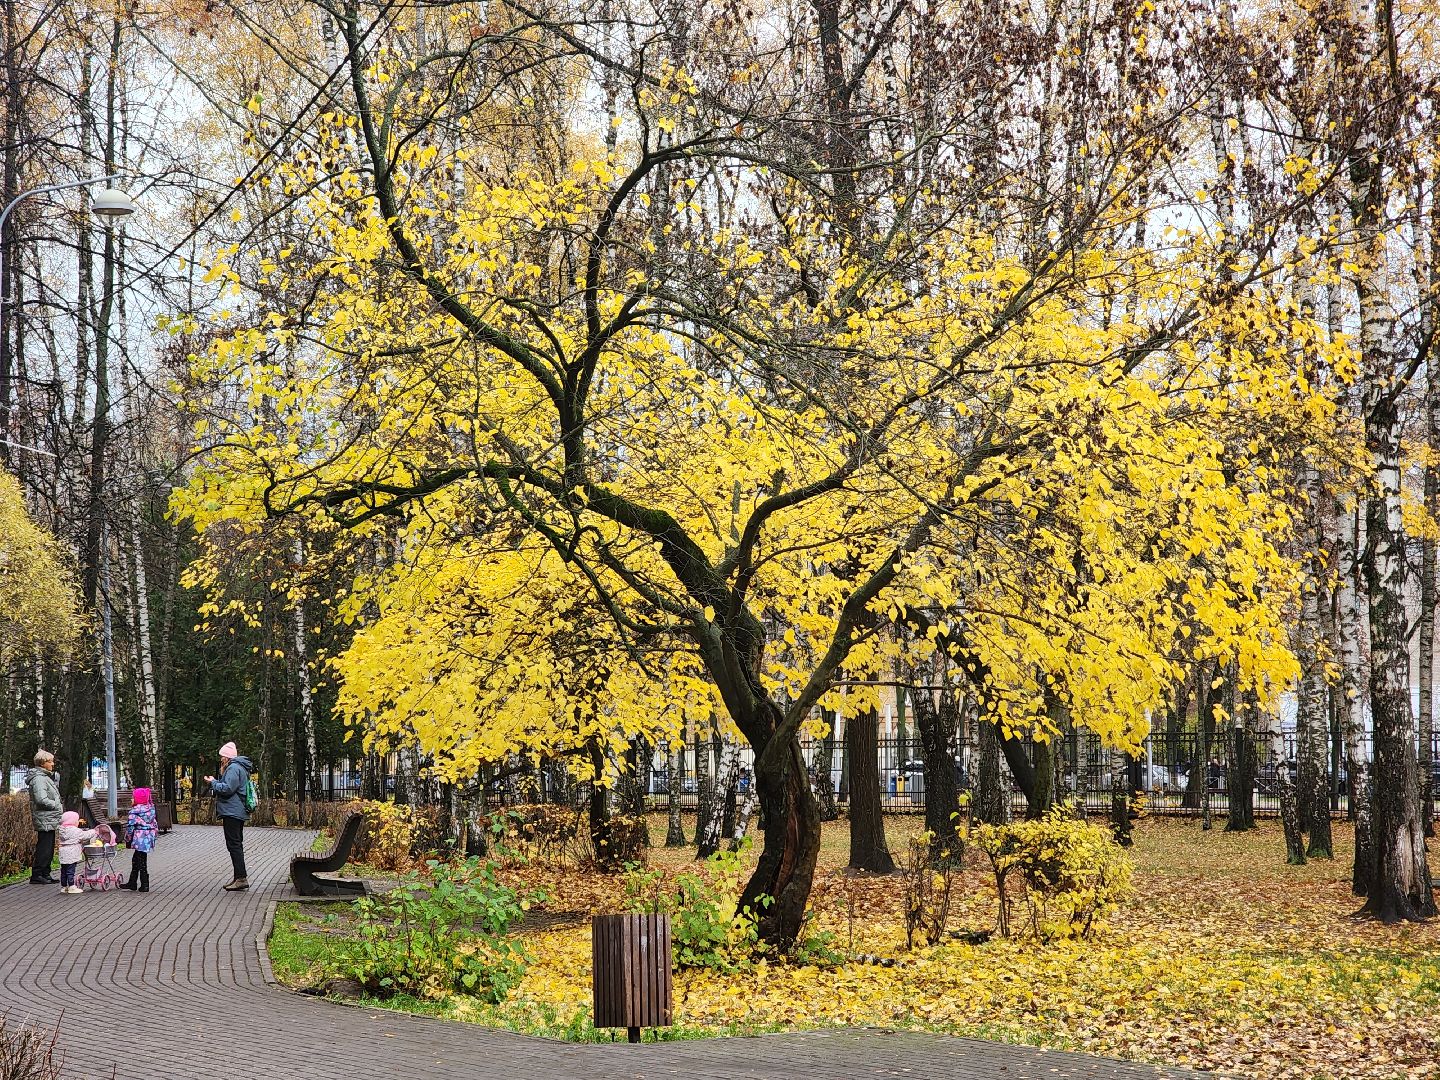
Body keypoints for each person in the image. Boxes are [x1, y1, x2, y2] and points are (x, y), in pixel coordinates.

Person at [205, 741, 253, 891]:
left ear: (227, 757)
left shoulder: (233, 768)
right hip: (236, 811)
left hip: (233, 812)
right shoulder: (240, 768)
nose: (221, 759)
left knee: (234, 845)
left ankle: (240, 878)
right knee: (236, 844)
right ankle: (238, 877)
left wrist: (213, 782)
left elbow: (227, 789)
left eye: (222, 756)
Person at [26, 750, 61, 884]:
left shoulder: (44, 777)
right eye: (50, 761)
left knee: (49, 846)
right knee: (44, 847)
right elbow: (41, 799)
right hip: (45, 817)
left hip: (48, 817)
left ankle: (45, 873)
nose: (53, 764)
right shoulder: (39, 778)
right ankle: (38, 874)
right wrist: (56, 804)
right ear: (42, 763)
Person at [123, 787, 158, 892]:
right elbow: (154, 822)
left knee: (141, 861)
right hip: (148, 837)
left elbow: (130, 825)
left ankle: (144, 884)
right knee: (137, 859)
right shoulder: (150, 809)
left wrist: (128, 836)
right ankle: (132, 882)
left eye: (133, 798)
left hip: (139, 838)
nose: (131, 800)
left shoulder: (134, 811)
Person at [56, 811, 97, 894]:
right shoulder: (75, 830)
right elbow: (85, 835)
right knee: (71, 871)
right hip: (72, 853)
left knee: (63, 870)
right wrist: (94, 831)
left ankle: (64, 887)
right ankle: (72, 886)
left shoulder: (61, 830)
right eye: (77, 820)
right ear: (73, 821)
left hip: (63, 852)